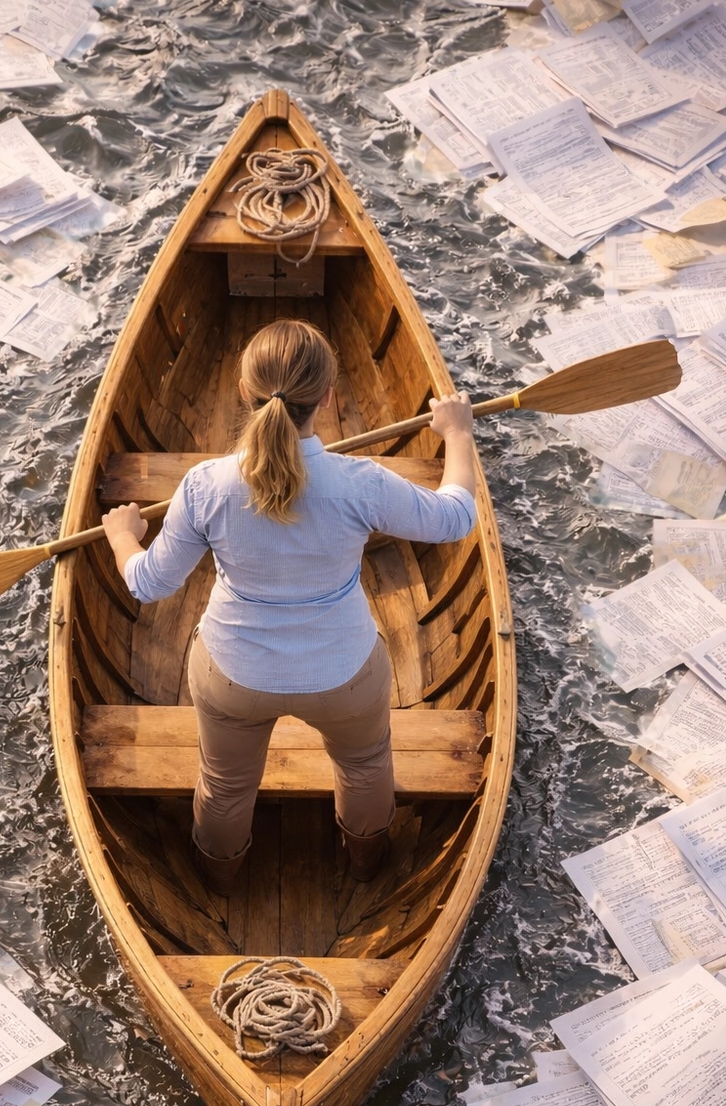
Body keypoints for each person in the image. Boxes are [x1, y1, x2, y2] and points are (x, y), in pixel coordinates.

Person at [102, 319, 478, 893]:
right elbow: (455, 517)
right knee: (365, 765)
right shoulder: (361, 483)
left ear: (244, 393)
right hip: (344, 674)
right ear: (327, 397)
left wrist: (122, 535)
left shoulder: (205, 486)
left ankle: (219, 880)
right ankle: (365, 864)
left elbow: (148, 584)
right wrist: (456, 433)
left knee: (225, 784)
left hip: (233, 674)